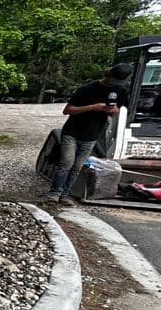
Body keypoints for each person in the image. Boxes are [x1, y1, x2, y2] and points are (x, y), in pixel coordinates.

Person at [47, 62, 134, 206]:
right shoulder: (87, 89)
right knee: (66, 163)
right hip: (72, 132)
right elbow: (67, 110)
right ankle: (54, 193)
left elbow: (118, 111)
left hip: (92, 135)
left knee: (77, 166)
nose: (115, 83)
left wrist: (113, 110)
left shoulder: (120, 91)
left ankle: (65, 194)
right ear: (109, 75)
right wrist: (93, 107)